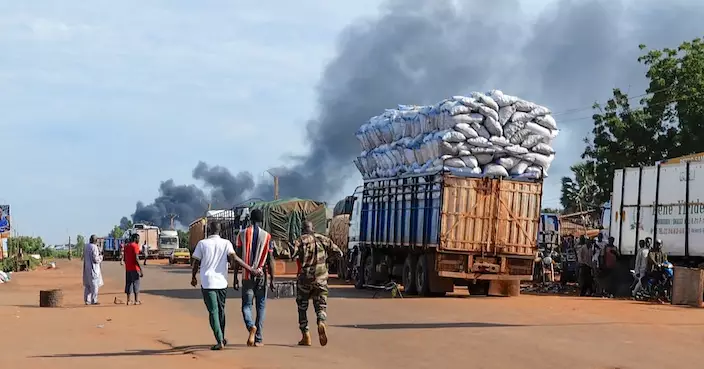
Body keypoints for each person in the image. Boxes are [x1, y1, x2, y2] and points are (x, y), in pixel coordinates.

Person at [191, 221, 259, 351]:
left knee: (213, 312)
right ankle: (221, 337)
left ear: (209, 230)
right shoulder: (226, 243)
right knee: (221, 311)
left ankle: (219, 340)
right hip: (222, 282)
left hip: (208, 283)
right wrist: (250, 269)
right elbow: (235, 258)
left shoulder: (202, 243)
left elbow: (196, 263)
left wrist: (193, 277)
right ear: (220, 230)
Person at [289, 220, 343, 347]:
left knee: (302, 307)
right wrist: (327, 261)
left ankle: (305, 335)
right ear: (313, 228)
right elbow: (339, 253)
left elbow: (291, 254)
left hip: (305, 279)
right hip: (321, 279)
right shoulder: (323, 239)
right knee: (321, 305)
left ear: (303, 229)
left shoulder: (300, 240)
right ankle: (321, 321)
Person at [235, 209, 276, 347]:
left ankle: (251, 326)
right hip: (261, 276)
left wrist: (235, 277)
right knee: (261, 307)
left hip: (247, 276)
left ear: (250, 219)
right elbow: (270, 259)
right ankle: (258, 338)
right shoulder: (267, 236)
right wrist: (272, 279)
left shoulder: (241, 234)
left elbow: (238, 258)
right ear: (261, 220)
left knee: (246, 306)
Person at [82, 235, 104, 305]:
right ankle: (94, 300)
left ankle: (87, 300)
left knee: (88, 285)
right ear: (95, 240)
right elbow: (95, 259)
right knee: (94, 285)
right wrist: (101, 257)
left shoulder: (86, 246)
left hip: (86, 269)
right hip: (93, 269)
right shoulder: (94, 247)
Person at [123, 233, 144, 305]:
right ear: (135, 239)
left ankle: (128, 300)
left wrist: (127, 264)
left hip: (128, 268)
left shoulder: (126, 246)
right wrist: (140, 269)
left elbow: (125, 258)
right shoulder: (135, 246)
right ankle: (136, 300)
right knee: (136, 283)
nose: (139, 240)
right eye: (138, 238)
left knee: (128, 283)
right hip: (135, 268)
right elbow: (136, 258)